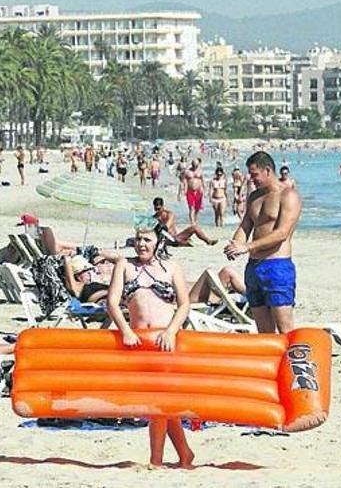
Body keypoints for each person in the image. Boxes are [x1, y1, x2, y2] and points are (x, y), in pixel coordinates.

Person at [106, 221, 193, 468]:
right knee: (162, 403)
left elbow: (184, 304)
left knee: (159, 403)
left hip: (166, 344)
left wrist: (171, 331)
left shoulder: (172, 267)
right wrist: (125, 331)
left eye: (147, 240)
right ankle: (185, 454)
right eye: (138, 239)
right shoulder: (124, 265)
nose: (141, 244)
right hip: (139, 344)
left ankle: (156, 460)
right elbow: (112, 302)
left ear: (159, 242)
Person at [224, 151, 301, 334]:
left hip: (277, 266)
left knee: (284, 327)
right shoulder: (254, 197)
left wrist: (247, 246)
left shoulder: (288, 195)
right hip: (253, 267)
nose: (251, 179)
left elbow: (281, 233)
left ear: (267, 170)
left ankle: (291, 362)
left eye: (254, 174)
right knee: (264, 331)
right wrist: (235, 244)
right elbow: (245, 226)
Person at [152, 197, 217, 247]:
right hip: (165, 239)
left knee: (194, 227)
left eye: (159, 209)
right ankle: (184, 242)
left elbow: (167, 226)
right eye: (156, 209)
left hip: (174, 237)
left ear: (163, 206)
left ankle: (208, 241)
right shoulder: (154, 218)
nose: (157, 211)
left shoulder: (169, 214)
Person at [181, 158, 205, 225]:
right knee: (191, 207)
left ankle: (195, 219)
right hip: (190, 191)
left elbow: (202, 181)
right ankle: (192, 222)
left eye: (196, 165)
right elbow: (184, 181)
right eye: (194, 165)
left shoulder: (200, 171)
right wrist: (184, 190)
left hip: (198, 191)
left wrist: (204, 189)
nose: (195, 166)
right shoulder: (187, 172)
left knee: (197, 207)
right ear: (192, 164)